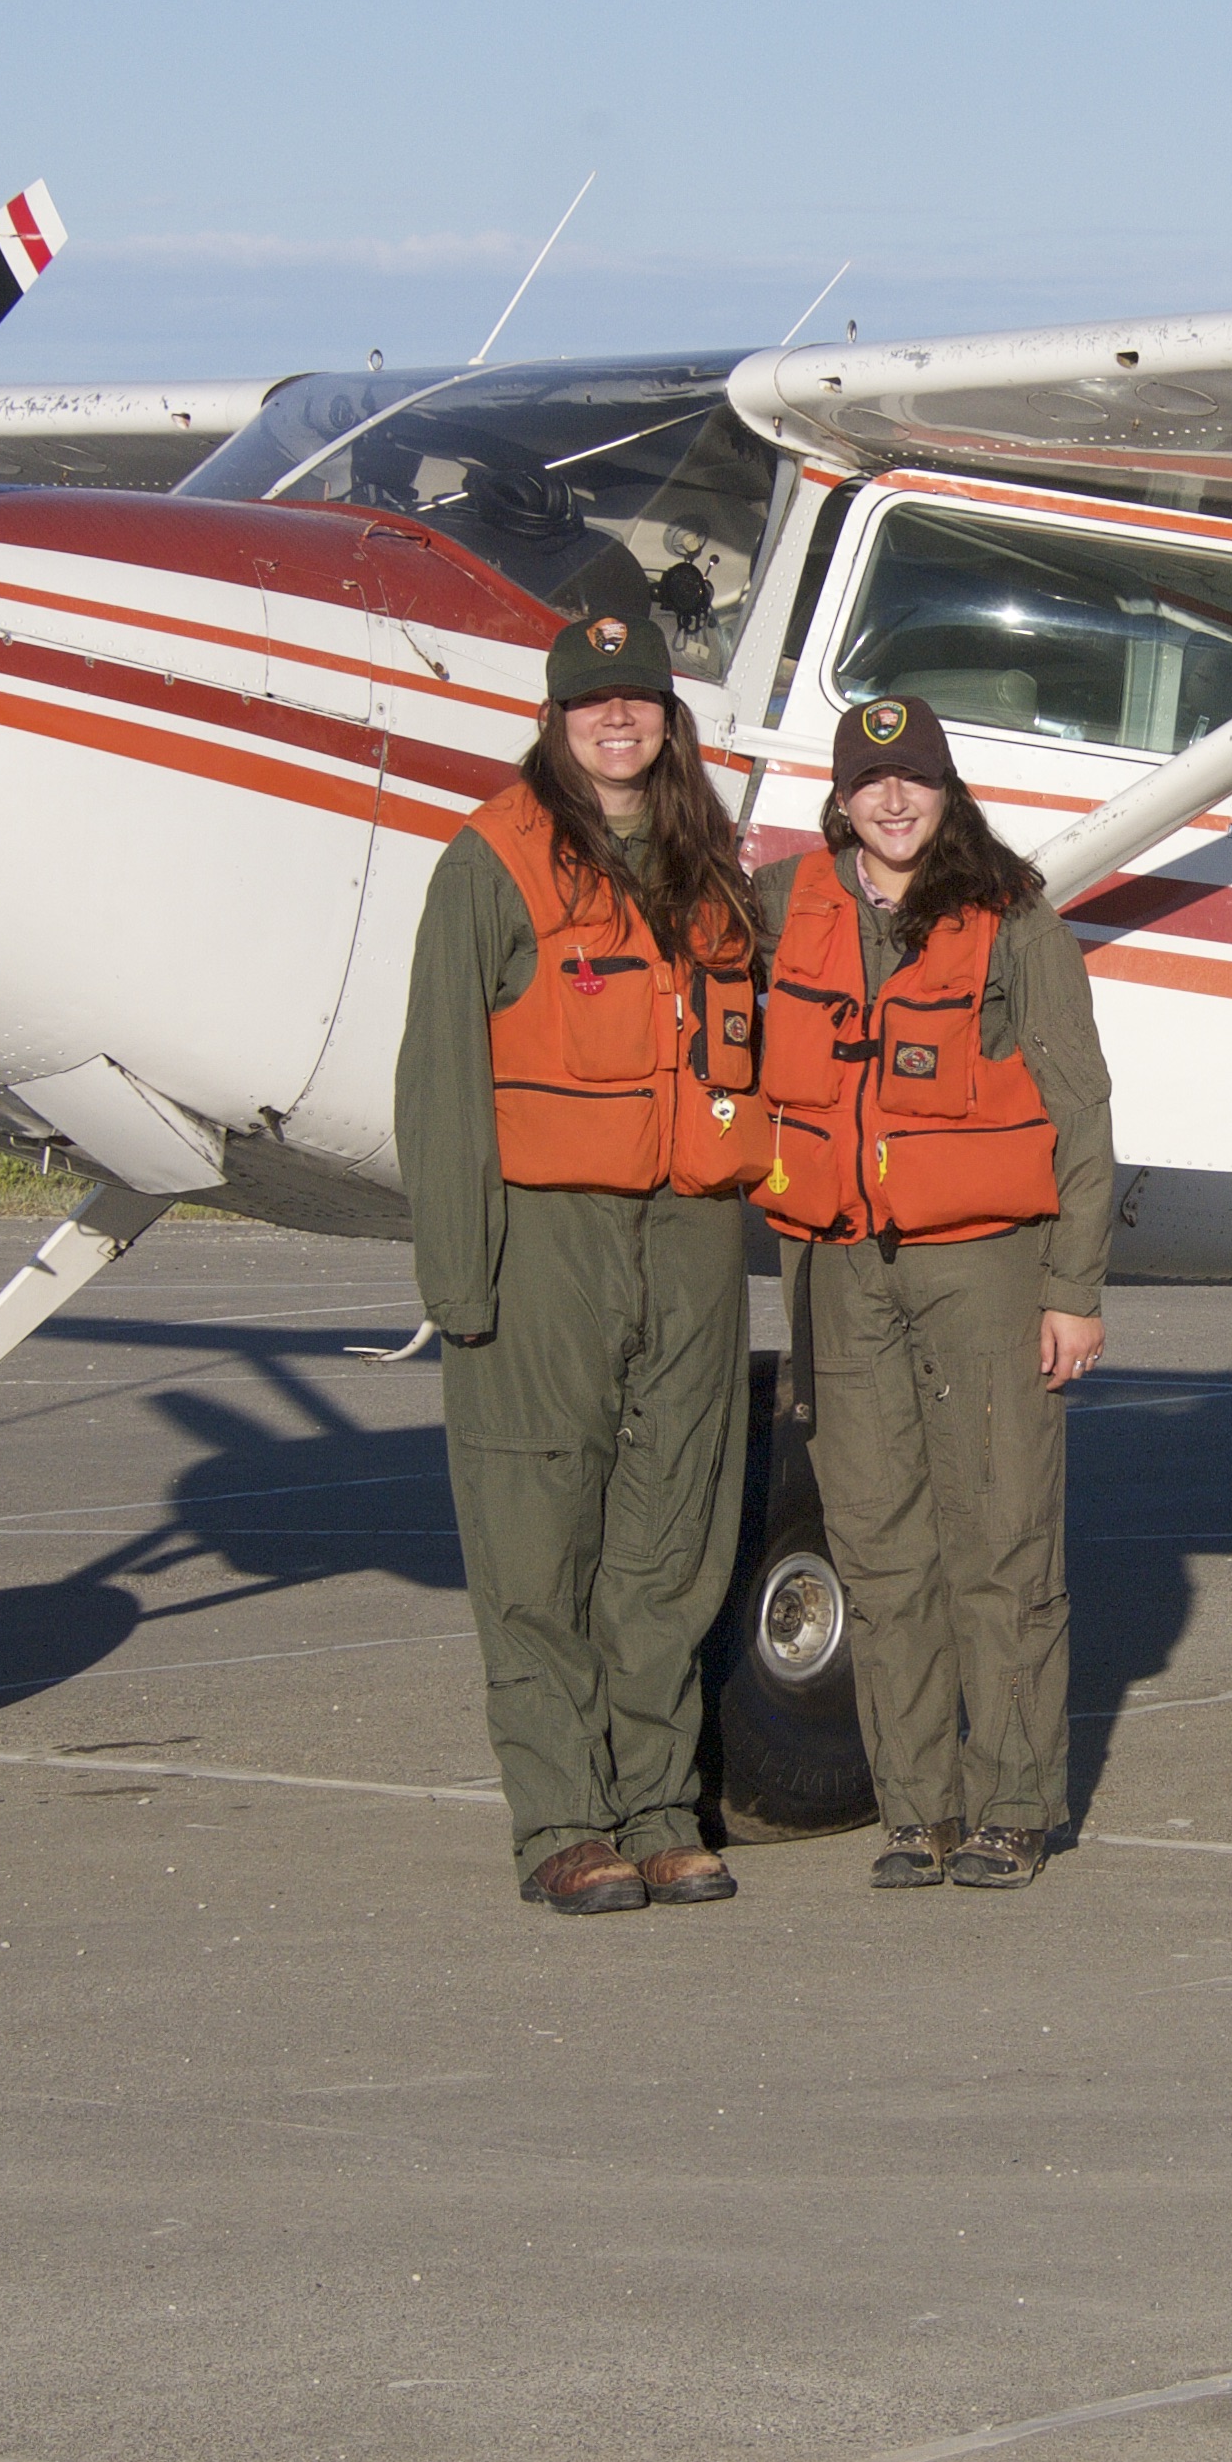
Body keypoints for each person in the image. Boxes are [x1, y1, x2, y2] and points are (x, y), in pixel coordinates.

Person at [397, 611, 768, 1916]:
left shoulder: (713, 870)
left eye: (641, 701)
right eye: (593, 703)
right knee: (536, 1539)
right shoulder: (490, 863)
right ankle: (562, 1819)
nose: (620, 721)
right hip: (546, 1233)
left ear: (669, 718)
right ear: (556, 722)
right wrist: (461, 1277)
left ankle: (662, 1809)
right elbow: (439, 1083)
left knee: (671, 1540)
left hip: (690, 1237)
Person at [752, 694, 1115, 1891]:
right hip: (843, 1268)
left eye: (913, 781)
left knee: (1002, 1536)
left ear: (948, 793)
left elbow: (1080, 1111)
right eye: (870, 783)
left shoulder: (1012, 922)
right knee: (880, 1547)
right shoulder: (789, 907)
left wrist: (1072, 1288)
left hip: (984, 1268)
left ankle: (1014, 1803)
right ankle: (920, 1809)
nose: (892, 802)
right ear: (841, 800)